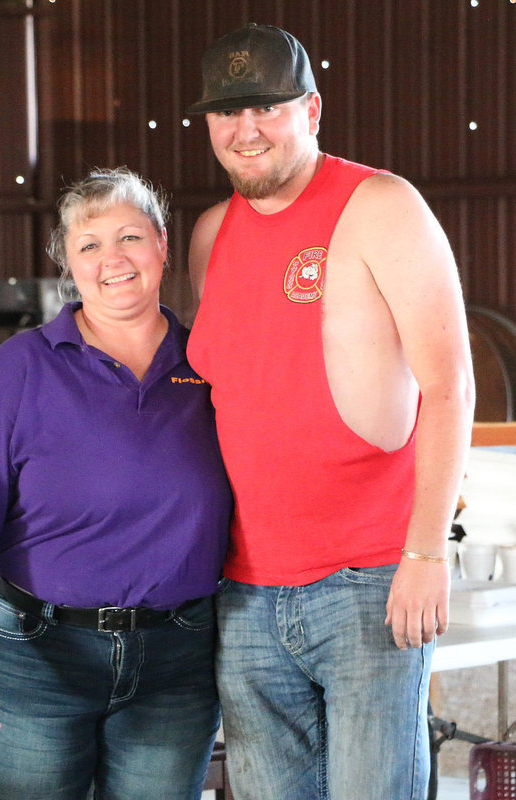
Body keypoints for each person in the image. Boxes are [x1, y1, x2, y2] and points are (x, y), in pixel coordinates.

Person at [185, 23, 475, 800]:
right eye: (226, 112)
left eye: (267, 108)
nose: (245, 130)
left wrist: (425, 555)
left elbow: (449, 385)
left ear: (310, 110)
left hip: (368, 580)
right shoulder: (210, 235)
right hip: (243, 590)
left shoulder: (380, 205)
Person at [0, 167, 232, 800]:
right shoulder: (21, 367)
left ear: (162, 245)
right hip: (36, 655)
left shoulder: (211, 364)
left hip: (177, 662)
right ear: (69, 263)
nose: (112, 259)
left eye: (130, 237)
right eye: (89, 245)